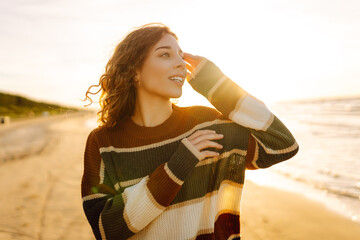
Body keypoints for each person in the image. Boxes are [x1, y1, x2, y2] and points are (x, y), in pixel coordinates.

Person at [81, 23, 299, 240]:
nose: (180, 64)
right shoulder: (103, 142)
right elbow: (105, 229)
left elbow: (282, 144)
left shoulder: (208, 124)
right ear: (134, 70)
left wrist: (215, 84)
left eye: (180, 55)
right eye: (165, 55)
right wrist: (178, 166)